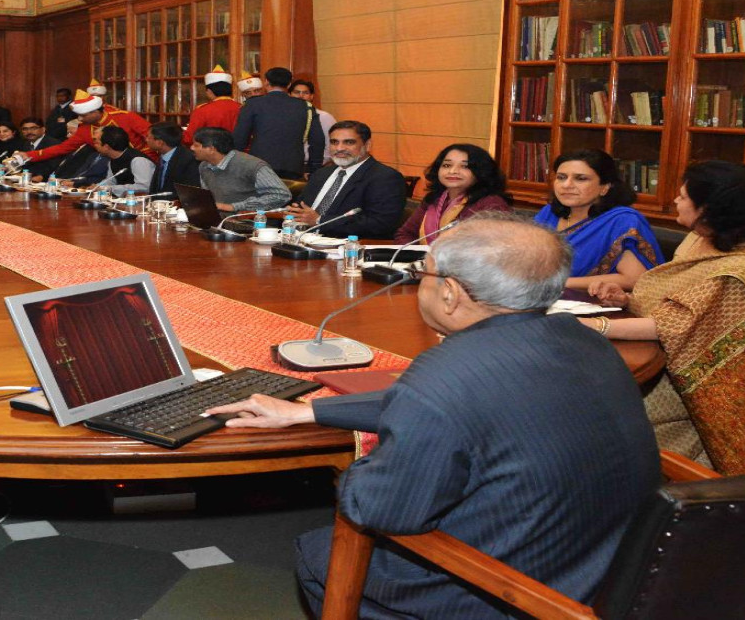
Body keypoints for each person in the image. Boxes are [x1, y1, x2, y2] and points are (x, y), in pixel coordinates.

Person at [207, 214, 659, 618]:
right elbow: (475, 404)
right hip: (610, 563)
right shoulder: (583, 340)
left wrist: (359, 464)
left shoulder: (446, 375)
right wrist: (309, 411)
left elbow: (379, 509)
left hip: (502, 592)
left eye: (422, 272)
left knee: (317, 551)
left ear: (449, 293)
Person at [590, 160, 745, 476]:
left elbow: (673, 325)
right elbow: (680, 304)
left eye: (683, 197)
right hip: (669, 362)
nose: (675, 200)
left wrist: (594, 325)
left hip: (697, 395)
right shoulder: (699, 239)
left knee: (596, 410)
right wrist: (627, 299)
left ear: (708, 210)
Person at [533, 149, 664, 291]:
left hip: (592, 300)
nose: (566, 185)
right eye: (561, 177)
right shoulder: (549, 213)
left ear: (605, 187)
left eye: (581, 179)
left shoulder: (623, 221)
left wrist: (561, 283)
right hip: (536, 294)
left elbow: (633, 279)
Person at [286, 121, 407, 239]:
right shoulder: (321, 174)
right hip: (299, 239)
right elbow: (302, 208)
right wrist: (293, 213)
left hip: (347, 246)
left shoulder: (385, 177)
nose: (339, 148)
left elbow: (380, 224)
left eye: (349, 142)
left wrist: (319, 220)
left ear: (367, 145)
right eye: (334, 142)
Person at [395, 143, 512, 243]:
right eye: (447, 165)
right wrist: (420, 257)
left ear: (481, 171)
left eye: (465, 166)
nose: (453, 171)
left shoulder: (491, 204)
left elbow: (487, 247)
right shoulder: (433, 199)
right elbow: (405, 234)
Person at [17, 89, 155, 169]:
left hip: (145, 161)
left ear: (96, 112)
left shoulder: (125, 117)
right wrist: (29, 155)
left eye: (83, 115)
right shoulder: (84, 130)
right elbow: (61, 148)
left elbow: (153, 136)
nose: (80, 119)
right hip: (115, 167)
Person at [232, 67, 324, 179]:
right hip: (293, 167)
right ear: (289, 84)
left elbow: (239, 139)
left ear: (266, 82)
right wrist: (314, 169)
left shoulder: (252, 104)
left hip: (259, 166)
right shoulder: (305, 106)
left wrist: (234, 166)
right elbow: (318, 141)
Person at [191, 126, 291, 212]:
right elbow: (208, 198)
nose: (191, 148)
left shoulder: (252, 165)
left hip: (251, 222)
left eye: (196, 145)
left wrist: (234, 207)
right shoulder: (204, 166)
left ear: (211, 149)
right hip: (219, 221)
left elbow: (282, 195)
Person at [182, 65, 241, 145]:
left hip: (212, 151)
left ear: (209, 91)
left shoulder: (203, 110)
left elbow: (189, 138)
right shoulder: (242, 107)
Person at [147, 121, 200, 198]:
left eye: (148, 137)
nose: (146, 140)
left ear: (160, 143)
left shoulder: (189, 160)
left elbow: (189, 192)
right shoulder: (163, 156)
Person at [288, 80, 335, 166]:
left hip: (317, 165)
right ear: (289, 95)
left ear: (311, 96)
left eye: (305, 93)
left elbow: (331, 144)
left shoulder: (324, 117)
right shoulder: (285, 117)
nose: (301, 96)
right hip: (290, 165)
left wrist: (319, 164)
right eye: (297, 92)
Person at [93, 126, 155, 193]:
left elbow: (144, 187)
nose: (94, 146)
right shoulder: (113, 159)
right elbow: (111, 181)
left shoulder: (138, 160)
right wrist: (97, 187)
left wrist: (110, 188)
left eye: (96, 143)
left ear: (106, 147)